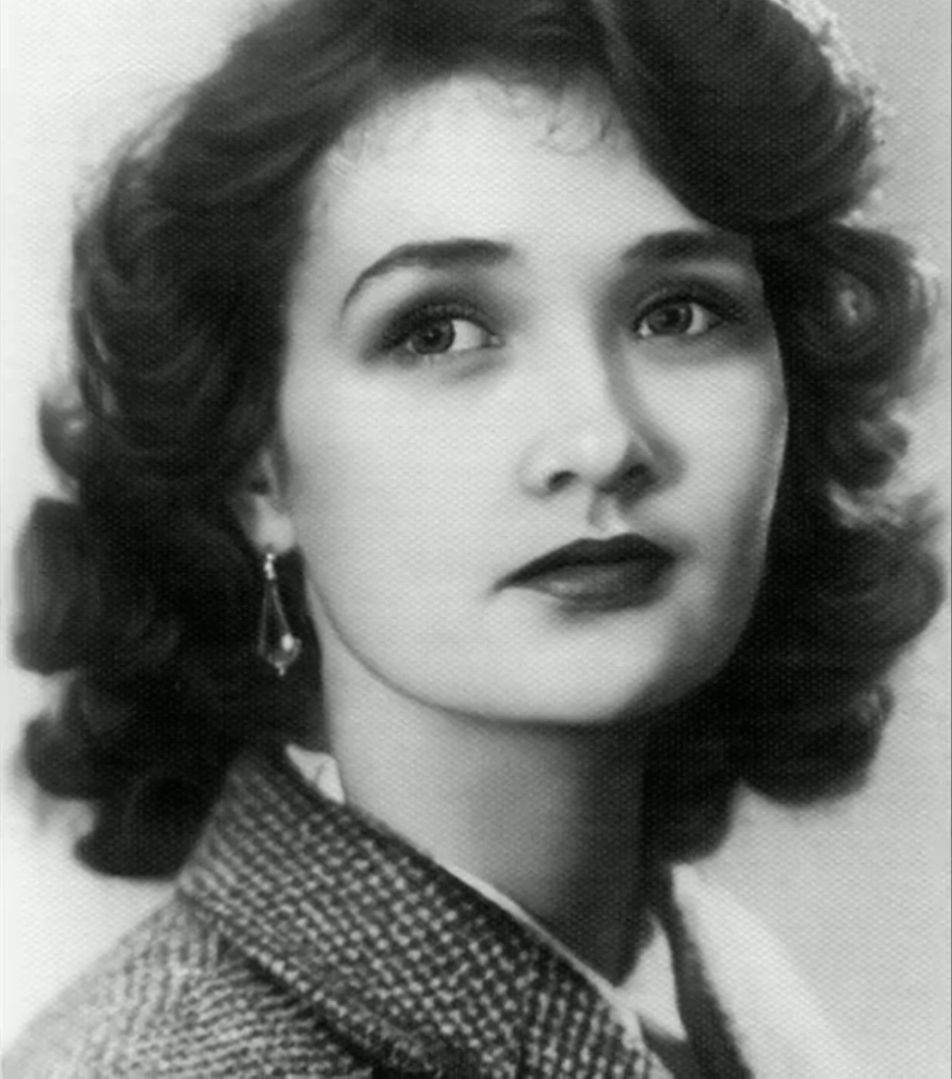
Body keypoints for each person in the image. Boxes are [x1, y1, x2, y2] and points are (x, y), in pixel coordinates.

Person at [4, 0, 944, 1073]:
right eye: (439, 331)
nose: (600, 439)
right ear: (255, 468)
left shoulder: (725, 978)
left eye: (678, 311)